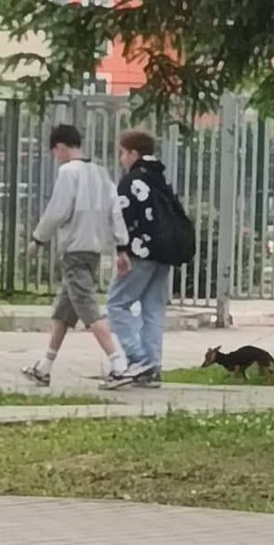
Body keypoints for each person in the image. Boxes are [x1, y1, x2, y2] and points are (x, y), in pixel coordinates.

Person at [22, 124, 133, 388]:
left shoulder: (68, 173)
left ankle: (118, 363)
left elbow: (57, 210)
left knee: (88, 308)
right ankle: (44, 366)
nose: (56, 158)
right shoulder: (101, 173)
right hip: (94, 250)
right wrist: (122, 247)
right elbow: (115, 212)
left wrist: (38, 238)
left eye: (55, 152)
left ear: (60, 147)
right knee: (63, 311)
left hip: (74, 249)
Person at [106, 129, 182, 388]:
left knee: (116, 303)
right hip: (164, 252)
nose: (121, 158)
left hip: (139, 252)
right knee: (153, 309)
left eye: (122, 153)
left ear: (133, 153)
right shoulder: (160, 178)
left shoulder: (132, 181)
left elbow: (124, 218)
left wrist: (122, 250)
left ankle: (139, 359)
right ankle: (153, 368)